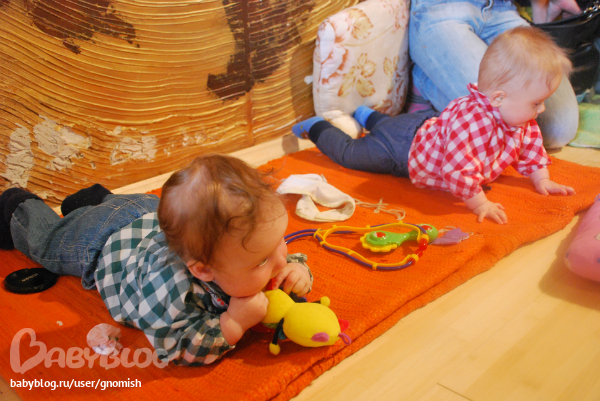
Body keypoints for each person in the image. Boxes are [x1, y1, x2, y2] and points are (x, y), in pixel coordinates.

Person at [0, 154, 313, 365]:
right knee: (48, 244)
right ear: (203, 270)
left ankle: (93, 199)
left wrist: (298, 270)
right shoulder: (170, 289)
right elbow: (174, 345)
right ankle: (17, 204)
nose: (280, 261)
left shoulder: (236, 247)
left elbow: (281, 260)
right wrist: (233, 323)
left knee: (155, 211)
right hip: (99, 240)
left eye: (280, 243)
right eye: (262, 261)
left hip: (149, 210)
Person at [293, 26, 575, 224]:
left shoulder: (521, 119)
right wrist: (481, 203)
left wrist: (542, 179)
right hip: (402, 152)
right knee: (351, 154)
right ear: (499, 98)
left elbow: (532, 149)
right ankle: (317, 127)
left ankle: (367, 115)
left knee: (391, 126)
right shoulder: (471, 126)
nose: (542, 110)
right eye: (537, 103)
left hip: (422, 127)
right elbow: (457, 172)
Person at [406, 0, 582, 149]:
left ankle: (435, 74)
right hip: (442, 8)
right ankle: (424, 81)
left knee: (559, 130)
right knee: (496, 122)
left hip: (501, 8)